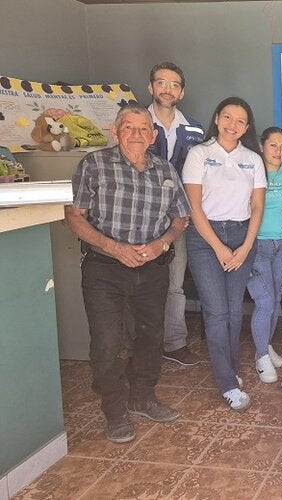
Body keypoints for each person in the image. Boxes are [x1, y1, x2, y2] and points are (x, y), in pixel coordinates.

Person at [64, 104, 190, 443]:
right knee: (107, 343)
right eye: (129, 127)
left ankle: (142, 396)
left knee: (150, 337)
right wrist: (114, 247)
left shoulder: (164, 170)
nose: (136, 134)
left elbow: (180, 218)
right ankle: (115, 409)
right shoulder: (94, 164)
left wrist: (162, 244)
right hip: (105, 269)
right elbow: (74, 217)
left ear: (152, 135)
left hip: (152, 268)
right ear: (115, 132)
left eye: (143, 128)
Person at [183, 97, 266, 412]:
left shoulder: (252, 159)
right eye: (227, 117)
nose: (233, 125)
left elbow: (257, 206)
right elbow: (193, 206)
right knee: (216, 312)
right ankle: (228, 383)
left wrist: (244, 246)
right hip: (206, 239)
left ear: (247, 127)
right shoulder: (199, 154)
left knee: (233, 310)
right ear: (217, 118)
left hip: (242, 235)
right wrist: (219, 247)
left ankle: (230, 368)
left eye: (240, 121)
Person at [146, 62, 205, 366]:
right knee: (135, 282)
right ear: (151, 88)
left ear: (182, 92)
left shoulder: (195, 129)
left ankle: (174, 342)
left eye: (174, 84)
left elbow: (201, 174)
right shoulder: (136, 123)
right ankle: (140, 346)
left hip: (178, 219)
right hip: (138, 218)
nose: (167, 89)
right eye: (161, 83)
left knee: (174, 283)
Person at [246, 127, 282, 383]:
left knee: (274, 299)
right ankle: (262, 356)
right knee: (263, 302)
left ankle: (265, 345)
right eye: (273, 145)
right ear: (262, 146)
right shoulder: (250, 171)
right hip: (256, 245)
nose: (278, 151)